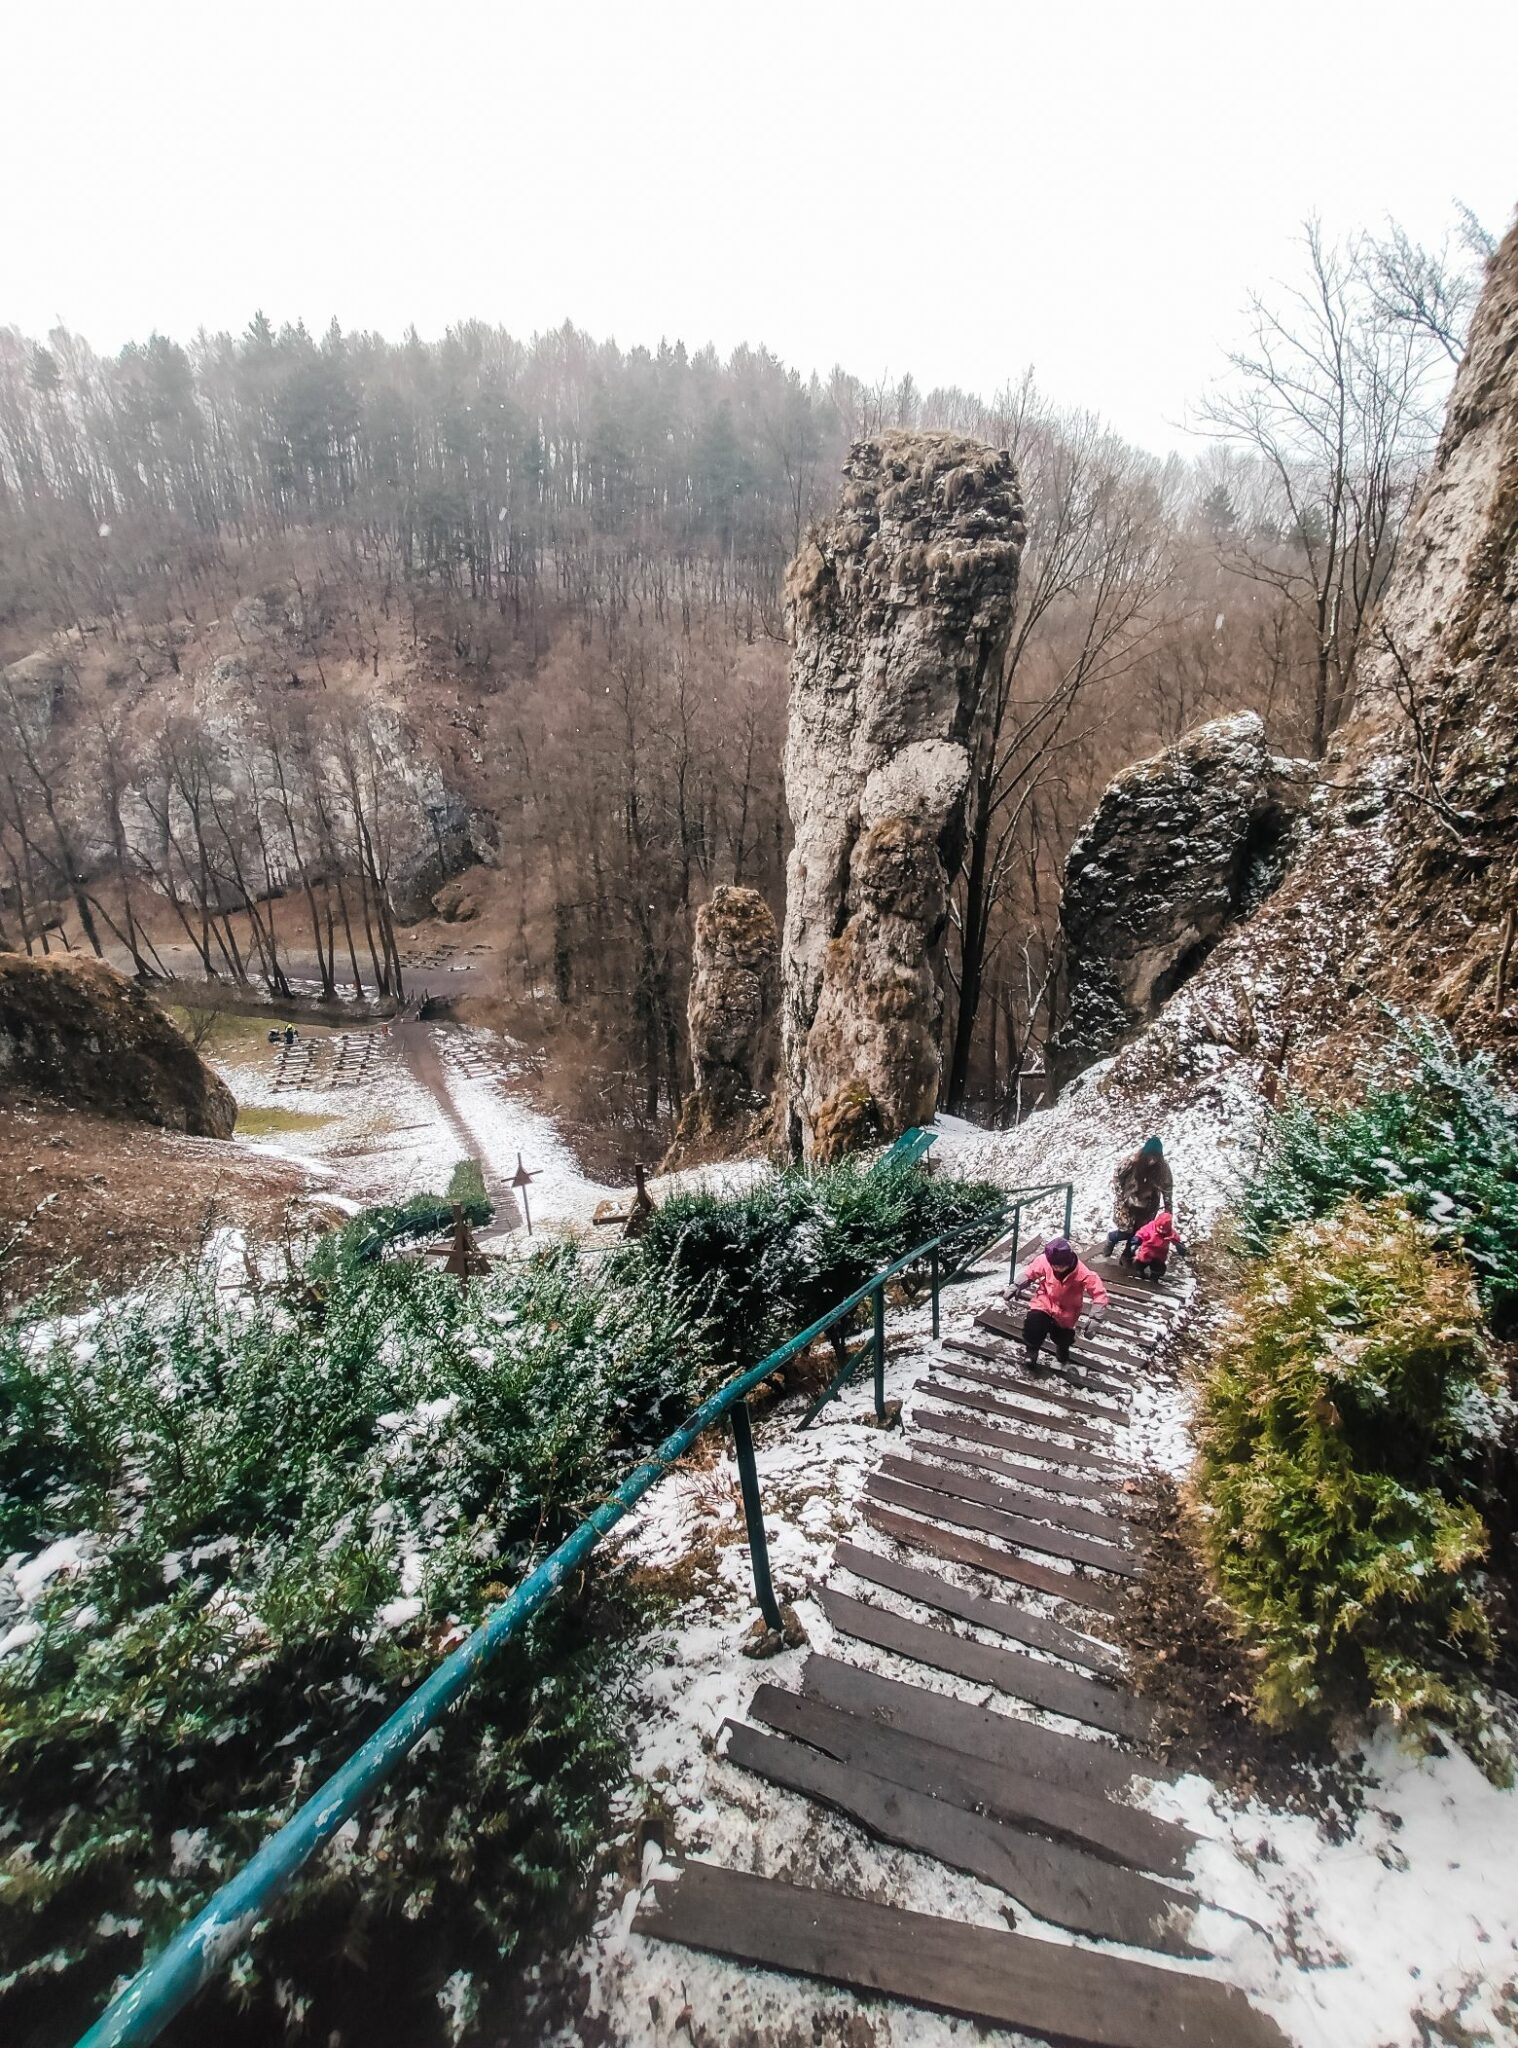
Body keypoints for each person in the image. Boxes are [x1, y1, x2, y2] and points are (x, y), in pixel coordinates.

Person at [1008, 1236, 1108, 1373]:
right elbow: (1031, 1271)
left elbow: (1099, 1293)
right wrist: (1018, 1284)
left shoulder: (1083, 1273)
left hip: (1067, 1310)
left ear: (1069, 1261)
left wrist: (1095, 1318)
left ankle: (1062, 1352)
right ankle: (1031, 1351)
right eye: (1054, 1265)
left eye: (1060, 1266)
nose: (1056, 1268)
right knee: (1034, 1323)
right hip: (1045, 1300)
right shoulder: (1045, 1261)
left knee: (1062, 1336)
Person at [1104, 1137, 1174, 1259]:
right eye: (1150, 1156)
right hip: (1127, 1204)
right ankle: (1112, 1238)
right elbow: (1117, 1177)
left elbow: (1167, 1188)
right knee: (1125, 1231)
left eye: (1155, 1157)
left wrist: (1168, 1211)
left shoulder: (1163, 1168)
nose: (1152, 1161)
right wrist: (1121, 1196)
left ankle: (1127, 1255)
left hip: (1148, 1206)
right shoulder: (1131, 1162)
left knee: (1140, 1234)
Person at [1132, 1209, 1185, 1281]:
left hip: (1160, 1254)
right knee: (1140, 1262)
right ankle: (1139, 1271)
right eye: (1159, 1229)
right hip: (1147, 1250)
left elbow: (1175, 1238)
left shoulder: (1170, 1233)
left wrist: (1179, 1245)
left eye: (1164, 1230)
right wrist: (1136, 1241)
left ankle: (1155, 1276)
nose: (1161, 1231)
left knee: (1158, 1267)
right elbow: (1141, 1233)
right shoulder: (1150, 1228)